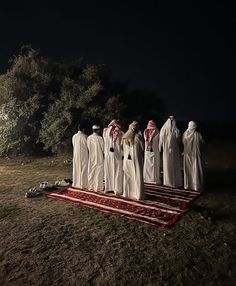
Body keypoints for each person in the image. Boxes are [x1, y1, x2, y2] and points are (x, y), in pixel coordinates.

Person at [122, 121, 145, 200]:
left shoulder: (125, 137)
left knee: (129, 176)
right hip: (136, 159)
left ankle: (128, 193)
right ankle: (137, 194)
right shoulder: (138, 137)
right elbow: (142, 147)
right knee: (136, 175)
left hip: (127, 160)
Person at [159, 116, 182, 188]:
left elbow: (161, 141)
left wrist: (161, 147)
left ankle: (169, 182)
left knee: (168, 164)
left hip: (168, 151)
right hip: (172, 150)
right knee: (172, 164)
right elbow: (179, 140)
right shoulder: (176, 130)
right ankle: (173, 181)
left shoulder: (164, 129)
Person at [103, 119, 124, 195]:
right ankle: (117, 189)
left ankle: (108, 188)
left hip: (108, 155)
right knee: (117, 171)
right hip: (117, 156)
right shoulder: (121, 133)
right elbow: (122, 146)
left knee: (109, 170)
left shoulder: (105, 132)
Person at [182, 121, 204, 191]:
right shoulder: (198, 134)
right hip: (195, 155)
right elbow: (202, 142)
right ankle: (195, 185)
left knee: (188, 169)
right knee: (195, 168)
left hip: (187, 155)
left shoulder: (185, 134)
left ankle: (188, 185)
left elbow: (183, 142)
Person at [143, 120, 161, 184]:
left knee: (148, 164)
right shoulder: (157, 132)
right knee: (153, 164)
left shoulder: (145, 132)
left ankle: (147, 179)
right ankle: (154, 179)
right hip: (154, 150)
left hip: (147, 151)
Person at [87, 125, 104, 192]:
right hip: (99, 157)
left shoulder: (89, 138)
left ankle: (91, 186)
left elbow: (88, 147)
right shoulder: (100, 138)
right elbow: (103, 149)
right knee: (99, 172)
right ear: (98, 130)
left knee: (91, 171)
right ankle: (98, 187)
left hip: (91, 156)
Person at [72, 124, 88, 189]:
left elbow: (73, 144)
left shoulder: (74, 136)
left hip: (76, 154)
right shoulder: (85, 137)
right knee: (84, 168)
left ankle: (76, 182)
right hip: (84, 154)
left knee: (76, 168)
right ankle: (83, 184)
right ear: (83, 129)